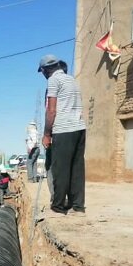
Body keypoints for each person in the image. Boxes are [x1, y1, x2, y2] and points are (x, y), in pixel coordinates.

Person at [38, 54, 86, 216]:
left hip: (63, 129)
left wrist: (46, 134)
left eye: (43, 72)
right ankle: (78, 206)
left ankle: (58, 205)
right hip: (79, 128)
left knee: (61, 169)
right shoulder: (71, 79)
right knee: (76, 168)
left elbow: (51, 110)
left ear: (45, 70)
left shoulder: (53, 80)